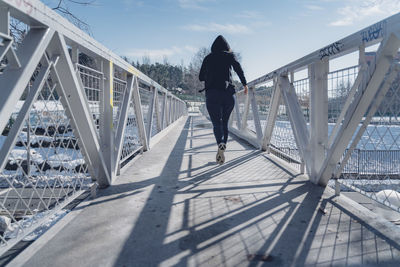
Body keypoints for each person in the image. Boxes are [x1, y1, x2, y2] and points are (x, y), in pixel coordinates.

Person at [199, 35, 248, 165]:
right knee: (225, 122)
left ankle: (220, 143)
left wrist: (210, 75)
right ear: (227, 47)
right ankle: (224, 144)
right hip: (228, 94)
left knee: (216, 123)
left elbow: (200, 77)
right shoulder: (229, 56)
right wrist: (244, 84)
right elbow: (238, 69)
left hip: (212, 94)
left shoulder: (208, 58)